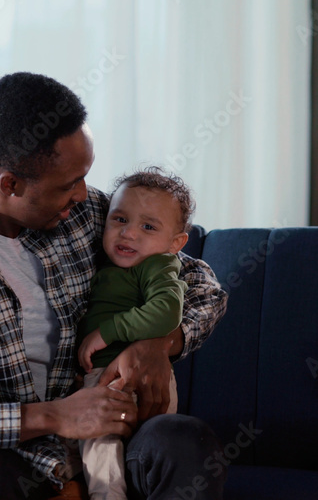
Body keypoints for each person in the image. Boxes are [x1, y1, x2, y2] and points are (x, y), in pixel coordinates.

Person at [0, 72, 228, 500]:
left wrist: (160, 343)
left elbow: (202, 286)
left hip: (117, 431)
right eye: (69, 184)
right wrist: (53, 417)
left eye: (84, 177)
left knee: (185, 444)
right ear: (10, 185)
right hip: (8, 457)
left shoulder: (85, 215)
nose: (84, 193)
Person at [77, 167, 195, 500]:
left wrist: (107, 332)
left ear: (176, 243)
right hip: (104, 376)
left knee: (97, 441)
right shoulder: (113, 265)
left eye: (147, 226)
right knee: (116, 450)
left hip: (133, 376)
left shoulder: (158, 265)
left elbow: (167, 312)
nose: (129, 234)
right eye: (119, 220)